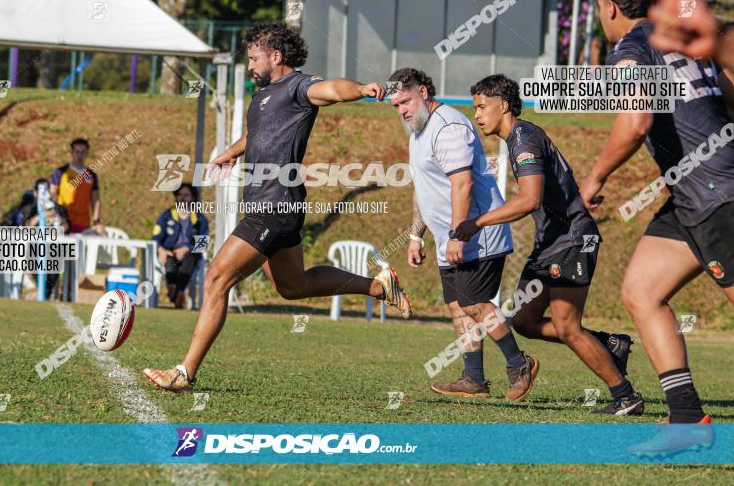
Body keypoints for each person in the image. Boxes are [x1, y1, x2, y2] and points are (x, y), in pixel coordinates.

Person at [142, 21, 411, 392]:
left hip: (276, 207)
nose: (250, 65)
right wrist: (230, 154)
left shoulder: (298, 87)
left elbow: (331, 89)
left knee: (217, 278)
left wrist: (362, 89)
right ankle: (378, 287)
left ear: (276, 55)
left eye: (254, 58)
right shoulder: (263, 96)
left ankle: (184, 372)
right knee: (292, 285)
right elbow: (255, 135)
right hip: (267, 206)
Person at [579, 0, 734, 451]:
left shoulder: (629, 48)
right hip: (693, 194)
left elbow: (636, 120)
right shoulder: (679, 36)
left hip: (716, 193)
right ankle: (687, 420)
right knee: (642, 290)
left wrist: (596, 176)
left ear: (608, 7)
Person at [456, 74, 642, 415]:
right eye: (475, 108)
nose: (477, 115)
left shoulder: (523, 139)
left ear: (504, 105)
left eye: (482, 107)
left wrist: (477, 223)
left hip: (571, 241)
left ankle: (625, 395)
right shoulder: (519, 138)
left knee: (568, 327)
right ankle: (607, 343)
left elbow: (529, 199)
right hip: (551, 244)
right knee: (524, 321)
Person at [390, 67, 538, 402]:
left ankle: (520, 364)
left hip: (477, 234)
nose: (402, 110)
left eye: (406, 101)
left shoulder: (449, 127)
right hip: (449, 239)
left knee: (474, 304)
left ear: (424, 92)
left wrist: (458, 234)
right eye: (396, 105)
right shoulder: (417, 132)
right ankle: (474, 379)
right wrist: (416, 235)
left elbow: (463, 184)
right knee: (458, 306)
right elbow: (424, 188)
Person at [152, 184, 209, 308]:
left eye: (186, 195)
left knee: (189, 261)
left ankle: (177, 292)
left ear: (193, 198)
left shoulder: (199, 219)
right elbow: (156, 237)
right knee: (169, 262)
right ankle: (177, 291)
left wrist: (187, 248)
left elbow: (203, 244)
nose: (183, 198)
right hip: (169, 252)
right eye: (180, 195)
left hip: (190, 254)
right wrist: (161, 249)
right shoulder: (166, 216)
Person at [50, 138, 105, 234]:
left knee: (80, 248)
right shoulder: (61, 172)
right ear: (72, 153)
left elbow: (95, 199)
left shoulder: (91, 175)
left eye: (83, 152)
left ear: (87, 154)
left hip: (83, 223)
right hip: (63, 223)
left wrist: (96, 220)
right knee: (64, 249)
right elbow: (52, 195)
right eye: (77, 151)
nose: (80, 155)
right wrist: (56, 216)